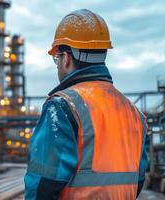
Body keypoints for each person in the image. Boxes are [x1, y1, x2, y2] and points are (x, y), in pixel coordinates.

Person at [24, 9, 149, 199]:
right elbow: (138, 179)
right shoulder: (135, 114)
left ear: (66, 58)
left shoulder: (63, 107)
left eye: (56, 58)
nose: (57, 64)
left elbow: (43, 185)